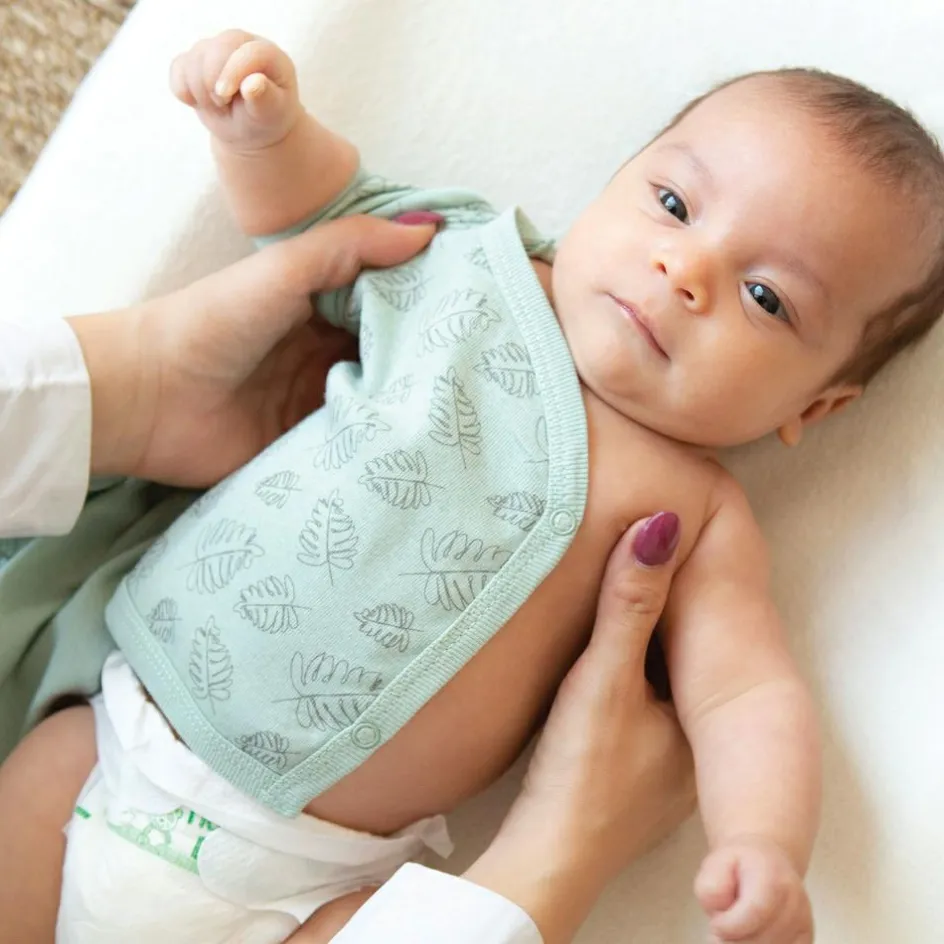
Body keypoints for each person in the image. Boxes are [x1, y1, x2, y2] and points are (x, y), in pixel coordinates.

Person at [0, 212, 695, 944]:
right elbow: (301, 203)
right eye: (674, 204)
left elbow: (739, 690)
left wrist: (755, 831)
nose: (687, 272)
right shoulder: (483, 276)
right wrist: (573, 852)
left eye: (763, 298)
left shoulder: (699, 504)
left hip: (290, 873)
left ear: (788, 411)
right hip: (128, 756)